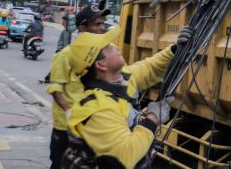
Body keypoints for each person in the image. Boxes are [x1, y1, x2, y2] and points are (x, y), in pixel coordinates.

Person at [62, 25, 192, 168]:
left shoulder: (122, 77)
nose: (115, 46)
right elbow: (126, 157)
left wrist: (176, 49)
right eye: (108, 47)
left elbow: (151, 67)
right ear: (101, 65)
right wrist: (153, 118)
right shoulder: (96, 110)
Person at [46, 4, 109, 169]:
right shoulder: (65, 55)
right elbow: (56, 90)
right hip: (66, 128)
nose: (102, 28)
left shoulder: (104, 55)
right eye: (97, 24)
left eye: (103, 23)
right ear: (82, 27)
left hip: (92, 126)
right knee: (60, 164)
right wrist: (70, 112)